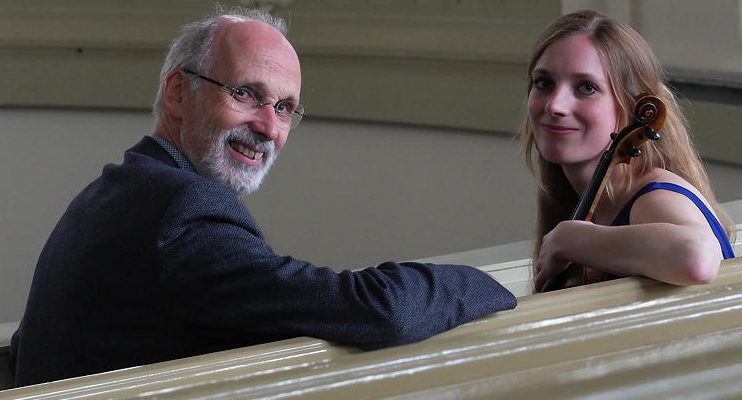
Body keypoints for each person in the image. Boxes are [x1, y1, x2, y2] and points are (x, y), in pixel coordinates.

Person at [10, 7, 516, 387]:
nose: (268, 127)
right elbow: (379, 311)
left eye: (285, 107)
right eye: (246, 94)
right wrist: (499, 283)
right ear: (178, 92)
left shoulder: (122, 185)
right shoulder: (181, 212)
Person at [520, 10, 735, 293]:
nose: (554, 106)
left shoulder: (653, 198)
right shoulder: (590, 200)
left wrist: (571, 239)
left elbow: (696, 257)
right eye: (544, 83)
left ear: (633, 106)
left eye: (586, 87)